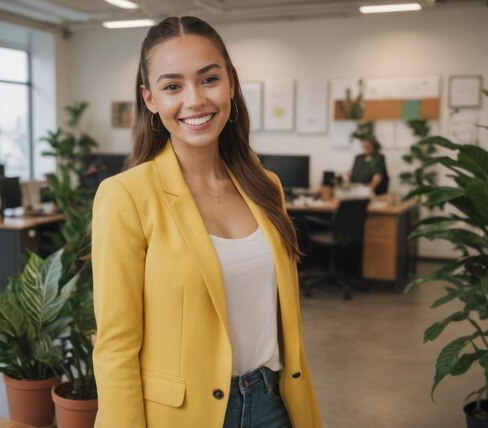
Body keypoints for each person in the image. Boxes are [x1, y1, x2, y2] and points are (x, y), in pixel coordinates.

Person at [91, 16, 322, 428]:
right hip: (184, 415)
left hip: (275, 403)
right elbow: (116, 348)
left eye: (208, 79)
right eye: (172, 86)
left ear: (231, 83)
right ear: (150, 99)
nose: (195, 100)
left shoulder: (266, 187)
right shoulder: (126, 195)